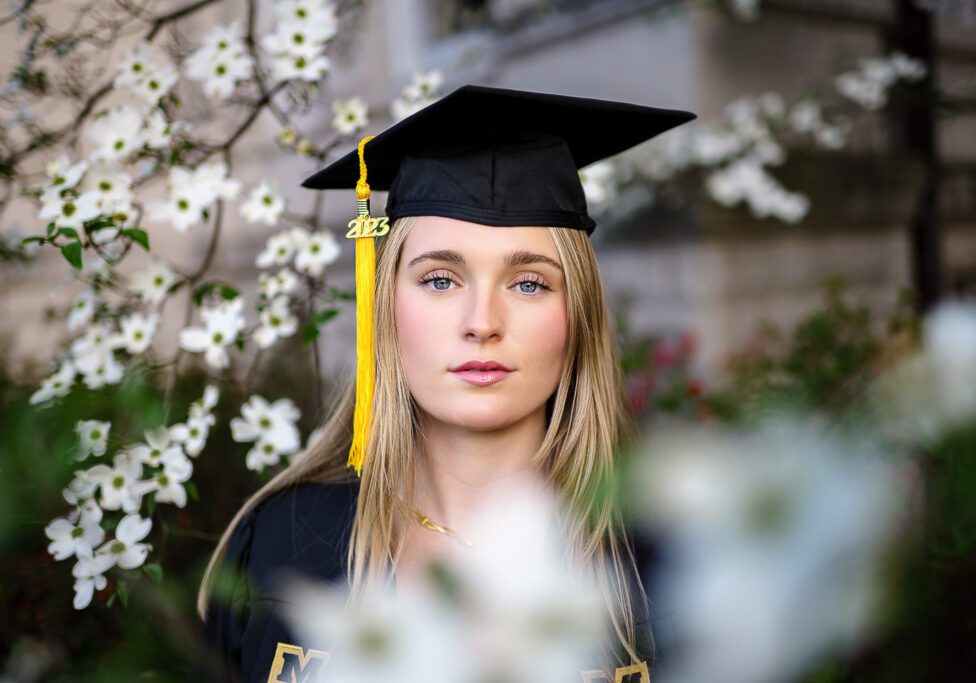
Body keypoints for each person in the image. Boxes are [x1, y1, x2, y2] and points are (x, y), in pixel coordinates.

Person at [196, 84, 695, 682]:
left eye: (529, 283)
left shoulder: (664, 567)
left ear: (578, 314)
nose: (482, 322)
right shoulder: (284, 545)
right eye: (439, 279)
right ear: (385, 307)